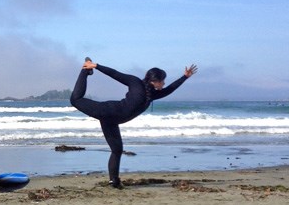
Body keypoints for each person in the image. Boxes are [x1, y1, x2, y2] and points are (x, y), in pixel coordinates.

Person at [70, 59, 198, 188]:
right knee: (75, 99)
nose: (164, 84)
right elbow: (115, 74)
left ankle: (114, 181)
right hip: (107, 111)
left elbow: (170, 89)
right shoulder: (135, 82)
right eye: (162, 81)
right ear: (155, 81)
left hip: (111, 121)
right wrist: (96, 66)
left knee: (117, 150)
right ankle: (86, 69)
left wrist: (185, 77)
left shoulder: (151, 94)